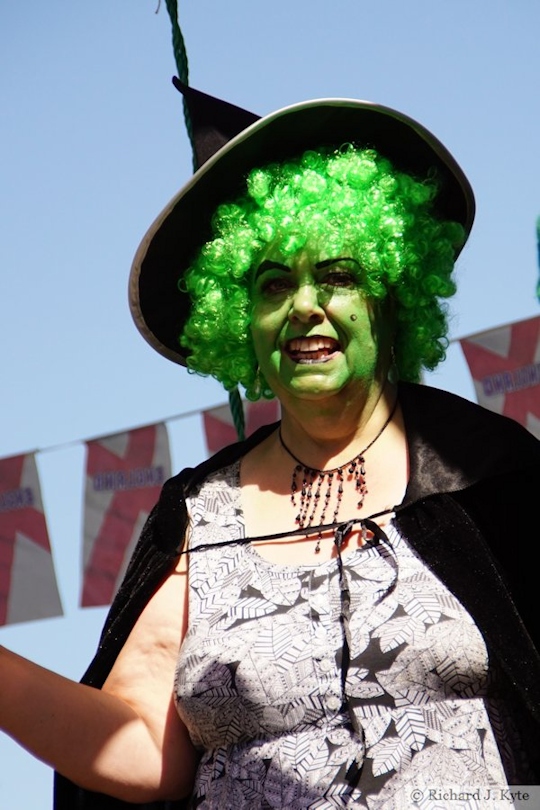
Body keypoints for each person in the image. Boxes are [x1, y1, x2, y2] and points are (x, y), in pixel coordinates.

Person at [2, 82, 539, 810]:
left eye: (339, 275)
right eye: (273, 284)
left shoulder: (491, 473)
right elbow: (138, 744)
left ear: (390, 292)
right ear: (240, 319)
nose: (306, 305)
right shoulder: (199, 512)